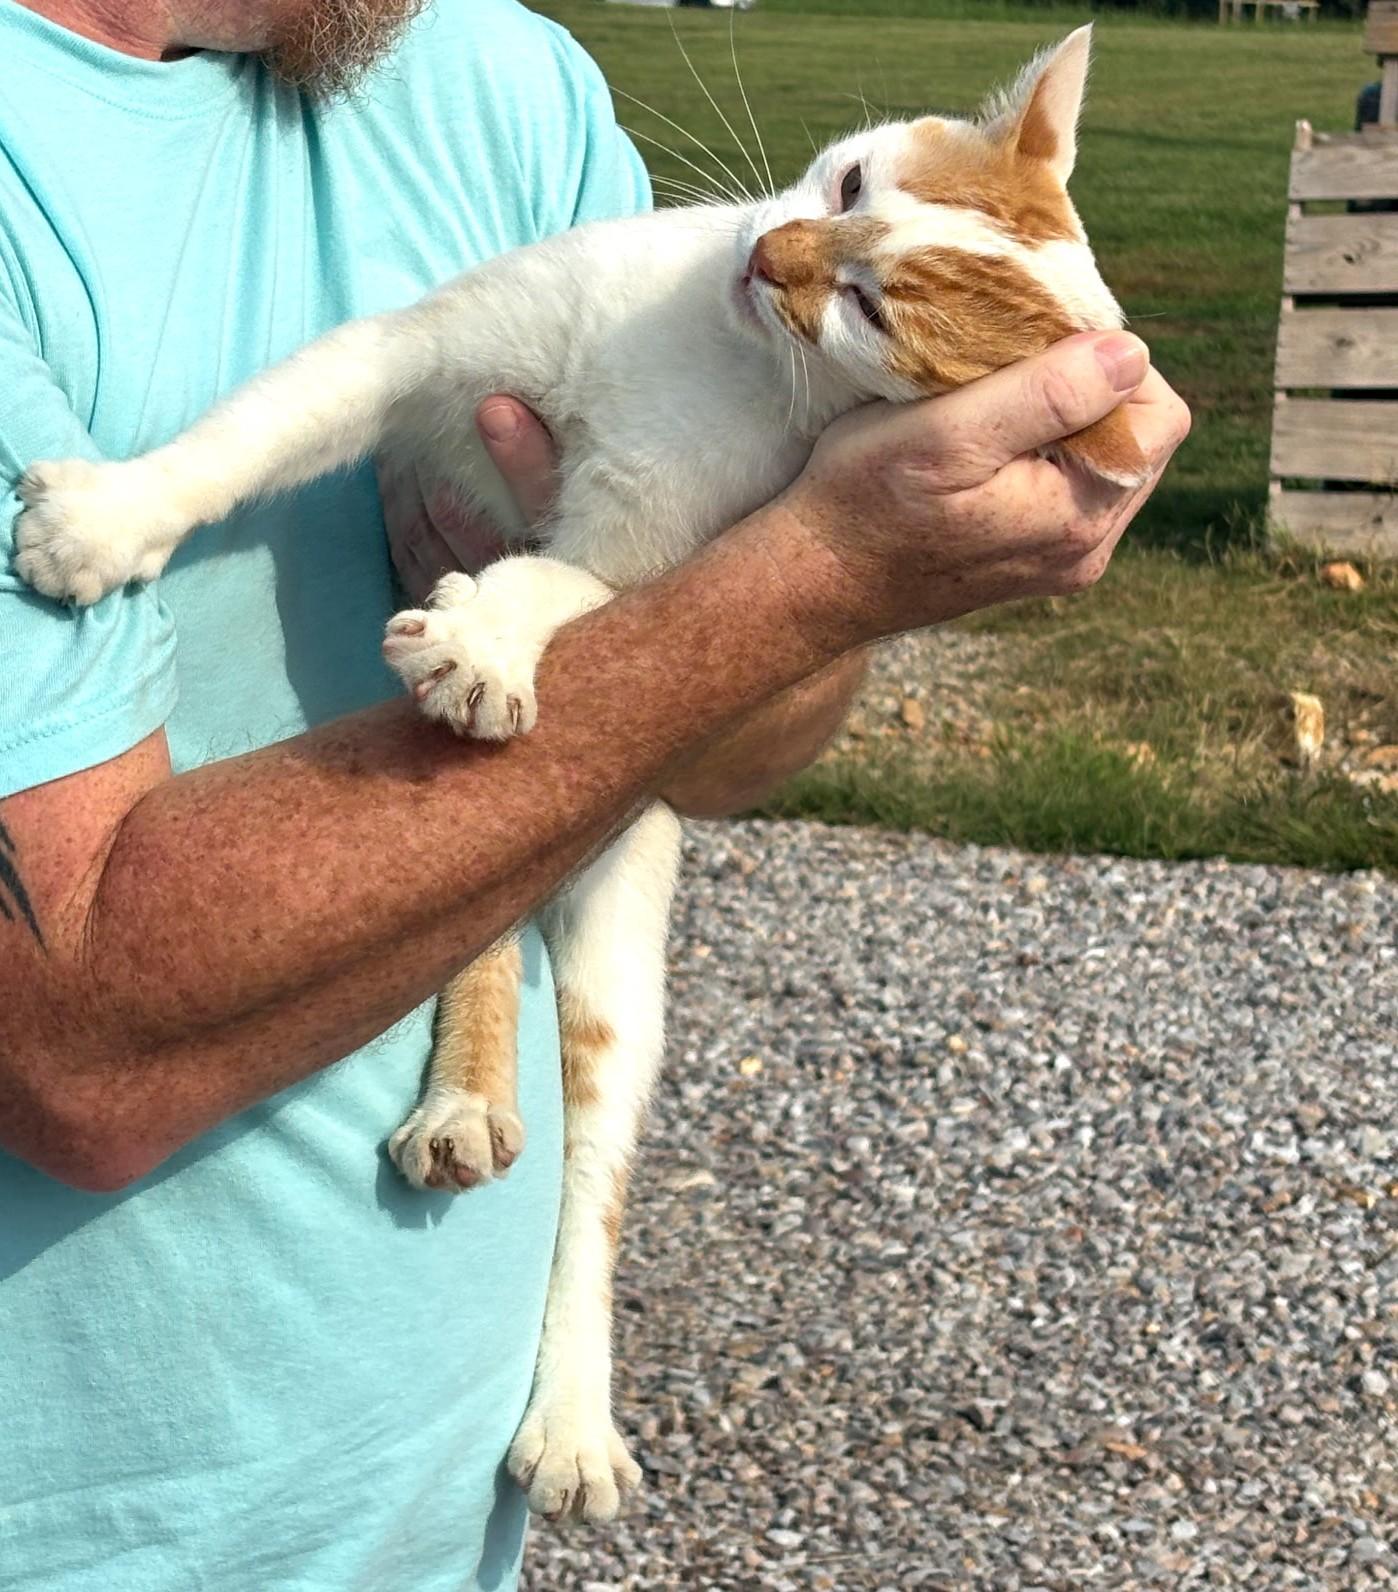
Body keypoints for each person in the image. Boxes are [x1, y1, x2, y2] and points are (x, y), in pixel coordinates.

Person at [0, 0, 1190, 1586]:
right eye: (838, 193)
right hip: (90, 1522)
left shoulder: (499, 80)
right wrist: (806, 575)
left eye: (853, 280)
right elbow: (81, 1055)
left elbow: (725, 753)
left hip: (428, 1509)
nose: (779, 252)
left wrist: (804, 589)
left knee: (614, 970)